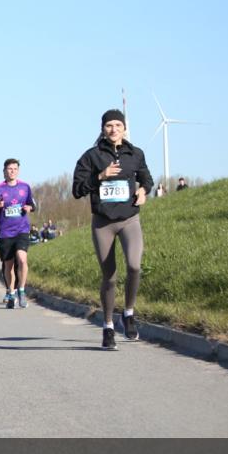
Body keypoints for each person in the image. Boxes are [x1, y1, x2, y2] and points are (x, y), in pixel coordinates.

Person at [73, 109, 153, 350]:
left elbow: (147, 179)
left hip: (129, 219)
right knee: (110, 276)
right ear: (103, 129)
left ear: (125, 128)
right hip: (103, 223)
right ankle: (108, 327)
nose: (114, 129)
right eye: (109, 125)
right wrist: (100, 175)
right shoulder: (91, 156)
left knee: (134, 266)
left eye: (118, 125)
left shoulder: (135, 153)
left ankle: (128, 314)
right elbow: (77, 189)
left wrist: (143, 191)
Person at [0, 159, 35, 309]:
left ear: (18, 171)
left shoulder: (25, 187)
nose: (12, 171)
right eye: (9, 169)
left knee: (22, 259)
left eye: (15, 169)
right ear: (4, 171)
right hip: (6, 232)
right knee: (9, 265)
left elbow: (32, 204)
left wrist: (29, 208)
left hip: (22, 230)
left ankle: (21, 291)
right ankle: (11, 292)